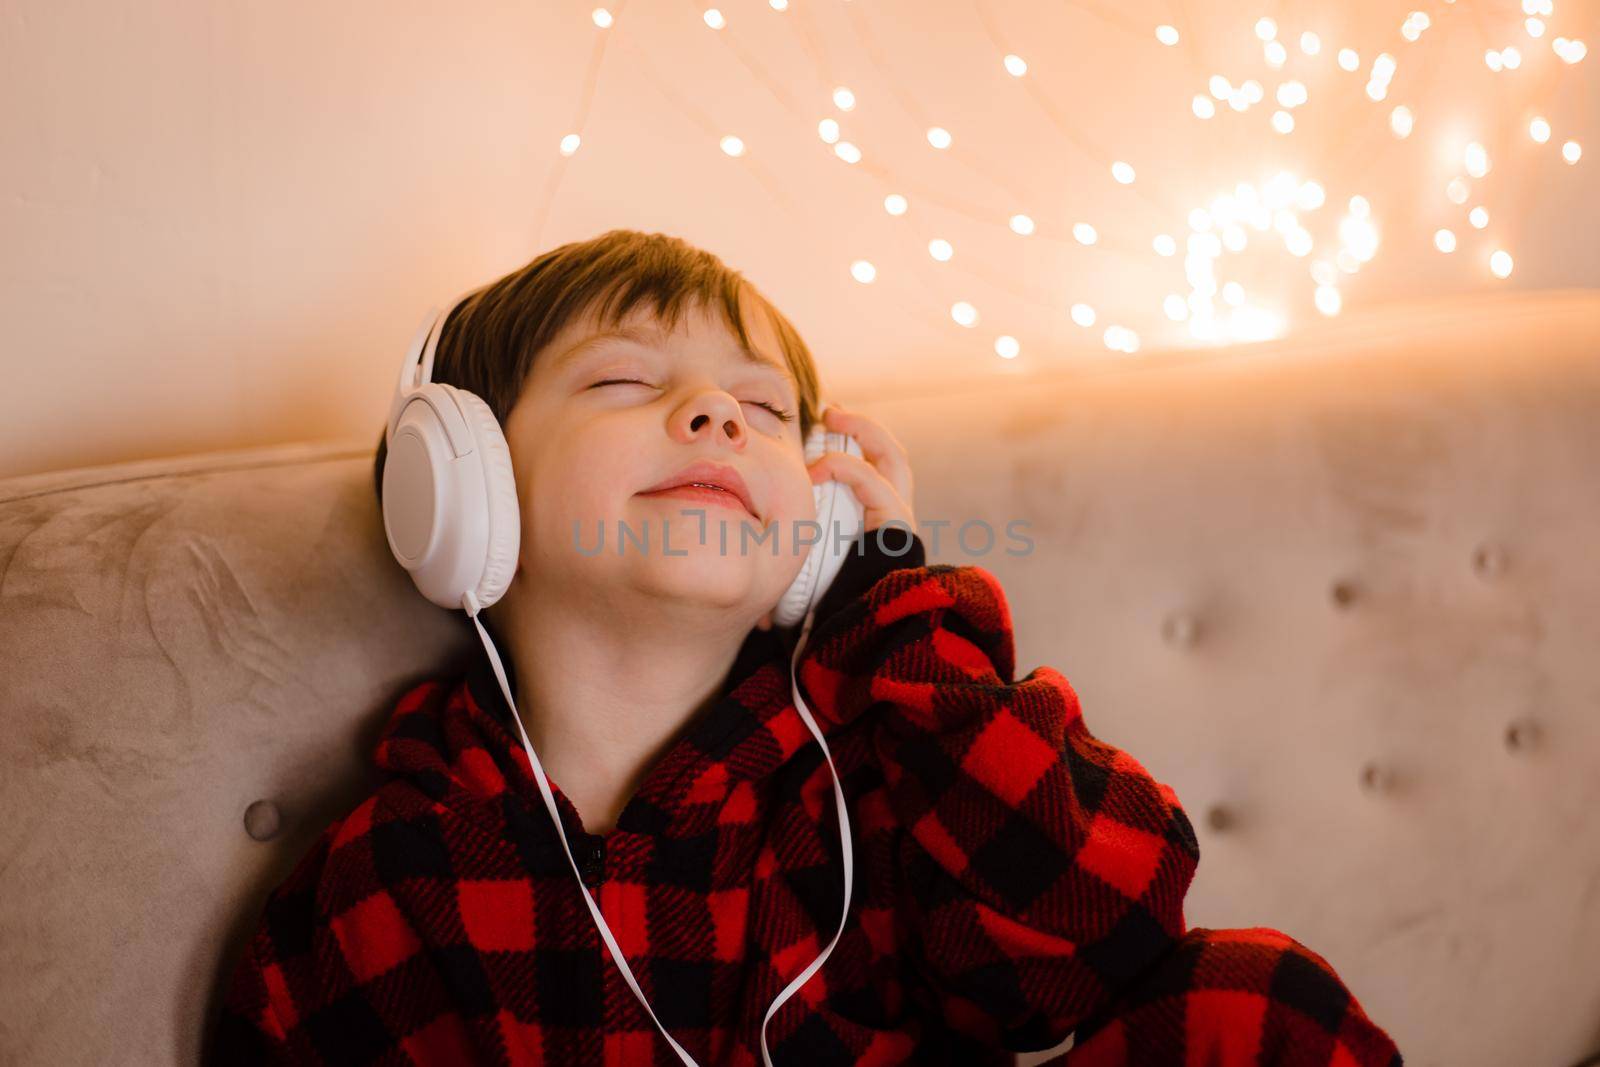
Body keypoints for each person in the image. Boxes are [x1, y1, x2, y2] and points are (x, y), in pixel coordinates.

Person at [209, 229, 1402, 1065]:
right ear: (461, 489)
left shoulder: (875, 775)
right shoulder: (389, 882)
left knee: (1254, 1003)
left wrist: (886, 595)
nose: (718, 414)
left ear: (818, 526)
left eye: (765, 409)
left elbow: (1105, 937)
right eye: (625, 377)